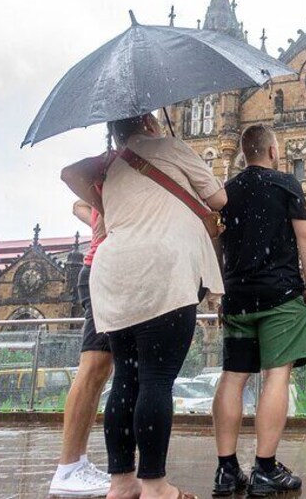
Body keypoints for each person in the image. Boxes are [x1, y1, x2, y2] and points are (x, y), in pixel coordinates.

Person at [64, 112, 226, 499]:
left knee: (126, 380)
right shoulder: (169, 146)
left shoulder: (108, 166)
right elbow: (220, 198)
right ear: (150, 125)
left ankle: (121, 483)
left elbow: (72, 179)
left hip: (113, 274)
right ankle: (156, 486)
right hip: (163, 271)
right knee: (156, 379)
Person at [211, 123, 306, 497]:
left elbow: (217, 244)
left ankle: (226, 471)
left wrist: (221, 291)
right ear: (272, 151)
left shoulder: (227, 192)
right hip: (280, 296)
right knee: (276, 377)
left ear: (243, 154)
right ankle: (265, 468)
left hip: (237, 296)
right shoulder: (285, 184)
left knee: (233, 377)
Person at [48, 198, 112, 497]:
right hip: (103, 269)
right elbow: (77, 204)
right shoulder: (114, 166)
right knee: (95, 366)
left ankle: (78, 463)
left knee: (102, 369)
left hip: (116, 269)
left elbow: (78, 205)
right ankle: (69, 466)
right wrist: (104, 227)